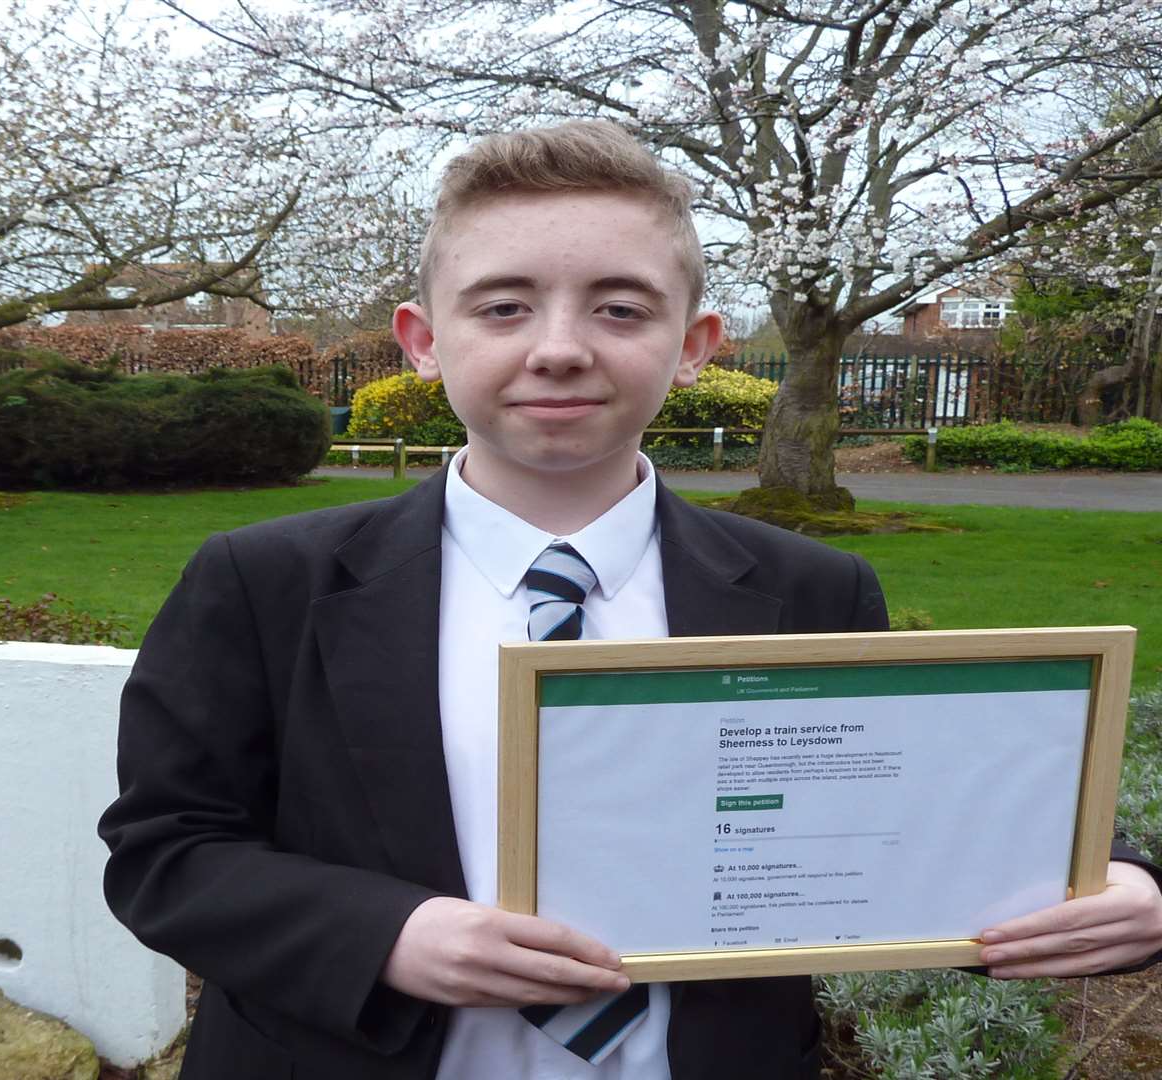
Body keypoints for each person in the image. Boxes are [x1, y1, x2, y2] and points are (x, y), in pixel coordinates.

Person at [97, 120, 1162, 1080]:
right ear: (423, 340)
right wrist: (389, 935)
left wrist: (1106, 887)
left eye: (619, 307)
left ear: (696, 345)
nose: (559, 346)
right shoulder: (264, 583)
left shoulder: (809, 589)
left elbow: (889, 830)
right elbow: (169, 852)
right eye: (504, 305)